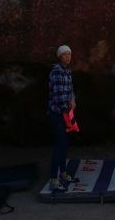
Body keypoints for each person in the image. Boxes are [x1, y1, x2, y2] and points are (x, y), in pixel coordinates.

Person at [47, 45, 76, 191]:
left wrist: (73, 100)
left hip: (66, 113)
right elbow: (58, 95)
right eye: (65, 54)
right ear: (59, 56)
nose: (68, 57)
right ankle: (54, 178)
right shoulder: (57, 71)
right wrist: (67, 110)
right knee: (60, 144)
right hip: (58, 114)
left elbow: (70, 90)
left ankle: (63, 173)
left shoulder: (67, 72)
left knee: (65, 144)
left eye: (69, 54)